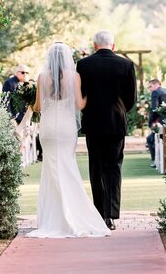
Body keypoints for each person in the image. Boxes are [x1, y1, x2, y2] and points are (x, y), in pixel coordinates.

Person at [27, 42, 110, 238]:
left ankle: (52, 218)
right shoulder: (74, 76)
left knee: (50, 168)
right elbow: (79, 105)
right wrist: (91, 97)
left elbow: (38, 106)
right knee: (68, 166)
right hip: (66, 126)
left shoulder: (42, 77)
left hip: (48, 128)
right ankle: (75, 213)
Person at [76, 30, 137, 231]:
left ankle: (99, 214)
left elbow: (82, 95)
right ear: (113, 45)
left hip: (93, 123)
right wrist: (119, 110)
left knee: (96, 168)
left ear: (94, 45)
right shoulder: (126, 65)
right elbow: (131, 99)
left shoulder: (83, 65)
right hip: (116, 122)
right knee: (114, 167)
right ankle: (111, 214)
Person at [146, 79, 166, 168]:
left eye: (150, 86)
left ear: (156, 85)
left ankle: (156, 161)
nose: (149, 89)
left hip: (162, 123)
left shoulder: (155, 92)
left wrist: (151, 122)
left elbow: (154, 109)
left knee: (150, 139)